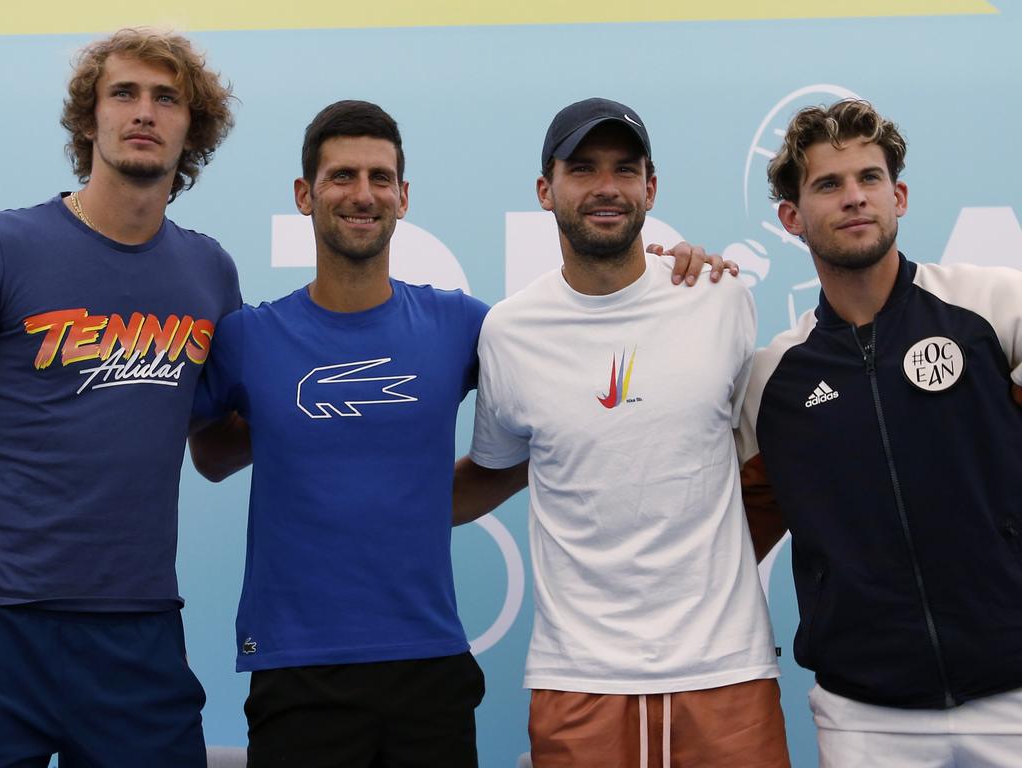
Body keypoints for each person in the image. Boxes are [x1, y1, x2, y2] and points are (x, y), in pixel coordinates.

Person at [189, 99, 732, 767]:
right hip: (295, 667)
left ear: (404, 197)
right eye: (341, 176)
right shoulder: (250, 338)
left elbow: (572, 370)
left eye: (380, 178)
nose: (363, 194)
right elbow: (210, 456)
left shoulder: (465, 327)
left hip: (431, 667)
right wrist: (289, 418)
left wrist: (678, 273)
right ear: (305, 195)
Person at [455, 97, 790, 768]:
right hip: (579, 679)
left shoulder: (721, 296)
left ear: (651, 187)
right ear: (546, 190)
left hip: (725, 671)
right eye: (583, 169)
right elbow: (498, 468)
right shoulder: (510, 331)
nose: (606, 187)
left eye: (625, 169)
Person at [737, 98, 1022, 767]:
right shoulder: (773, 378)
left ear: (899, 196)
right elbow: (729, 535)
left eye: (870, 179)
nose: (854, 198)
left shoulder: (992, 307)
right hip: (865, 713)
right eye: (828, 185)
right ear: (791, 217)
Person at [0, 29, 239, 768]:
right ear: (88, 118)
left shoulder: (207, 272)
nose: (144, 111)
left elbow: (218, 447)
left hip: (138, 629)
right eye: (124, 93)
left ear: (190, 128)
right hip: (9, 621)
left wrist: (319, 402)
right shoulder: (12, 247)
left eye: (167, 98)